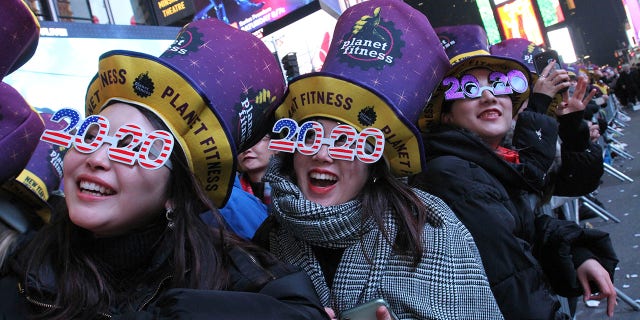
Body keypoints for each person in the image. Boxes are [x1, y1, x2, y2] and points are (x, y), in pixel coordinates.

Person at [0, 18, 328, 319]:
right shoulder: (20, 262)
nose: (98, 158)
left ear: (174, 194)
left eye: (133, 147)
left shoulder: (229, 279)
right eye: (91, 136)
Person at [254, 1, 503, 319]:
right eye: (310, 137)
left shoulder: (432, 228)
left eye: (346, 142)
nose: (321, 154)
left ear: (374, 165)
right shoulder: (267, 241)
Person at [412, 25, 618, 320]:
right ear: (445, 115)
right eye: (467, 88)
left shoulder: (490, 161)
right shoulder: (452, 174)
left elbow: (535, 221)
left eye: (499, 84)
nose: (488, 96)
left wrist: (578, 254)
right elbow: (514, 285)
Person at [237, 133, 277, 205]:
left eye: (255, 140)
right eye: (240, 144)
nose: (247, 149)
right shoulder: (226, 195)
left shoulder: (296, 187)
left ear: (276, 147)